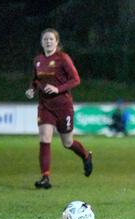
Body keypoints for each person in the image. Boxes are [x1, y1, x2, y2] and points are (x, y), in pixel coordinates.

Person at [25, 28, 93, 189]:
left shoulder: (63, 59)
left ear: (57, 42)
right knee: (44, 138)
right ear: (41, 42)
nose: (48, 42)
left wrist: (58, 89)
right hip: (45, 106)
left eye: (51, 39)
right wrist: (32, 89)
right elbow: (36, 80)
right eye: (45, 39)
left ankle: (85, 155)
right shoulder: (38, 60)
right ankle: (45, 177)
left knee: (67, 142)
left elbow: (76, 79)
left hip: (63, 106)